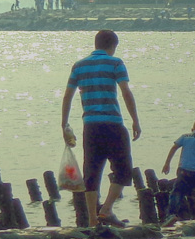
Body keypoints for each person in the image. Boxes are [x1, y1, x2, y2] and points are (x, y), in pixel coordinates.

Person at [60, 29, 141, 228]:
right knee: (123, 170)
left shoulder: (79, 66)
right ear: (113, 46)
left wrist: (65, 124)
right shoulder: (115, 63)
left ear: (96, 44)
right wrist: (135, 120)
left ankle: (92, 220)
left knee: (91, 172)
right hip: (112, 123)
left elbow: (68, 96)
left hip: (90, 126)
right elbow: (126, 93)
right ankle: (106, 210)